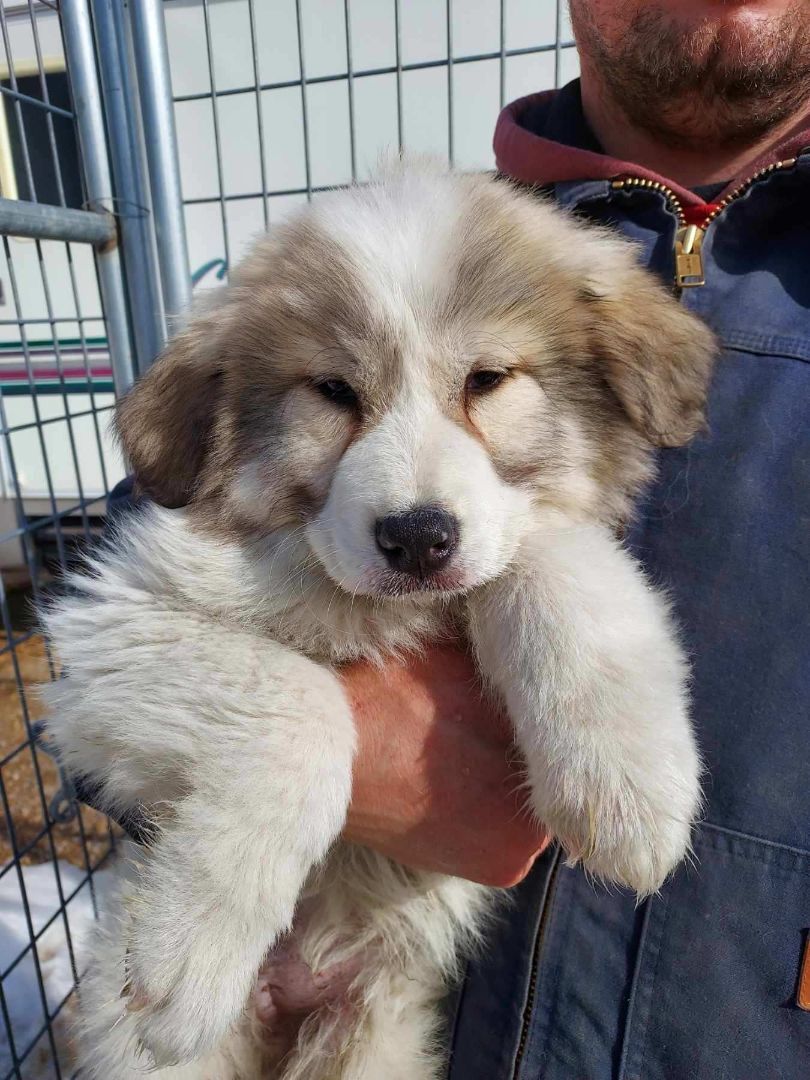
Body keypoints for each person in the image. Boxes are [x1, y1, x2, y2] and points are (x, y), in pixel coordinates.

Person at [103, 1, 810, 1075]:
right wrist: (333, 746)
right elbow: (127, 605)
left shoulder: (566, 297)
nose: (415, 494)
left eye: (485, 381)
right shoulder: (430, 236)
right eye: (336, 394)